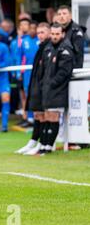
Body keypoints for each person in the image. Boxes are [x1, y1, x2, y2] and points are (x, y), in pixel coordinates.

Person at [16, 22, 52, 155]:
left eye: (42, 32)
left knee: (44, 114)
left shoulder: (49, 47)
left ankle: (44, 144)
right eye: (38, 33)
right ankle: (33, 141)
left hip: (45, 84)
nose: (40, 35)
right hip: (35, 81)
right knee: (37, 113)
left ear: (49, 32)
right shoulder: (40, 46)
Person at [38, 24, 74, 155]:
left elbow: (64, 72)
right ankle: (44, 145)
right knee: (47, 116)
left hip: (58, 90)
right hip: (48, 89)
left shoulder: (65, 50)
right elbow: (44, 70)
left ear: (62, 34)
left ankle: (48, 147)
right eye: (52, 34)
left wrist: (52, 83)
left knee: (53, 117)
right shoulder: (48, 49)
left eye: (57, 34)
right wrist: (43, 83)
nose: (54, 36)